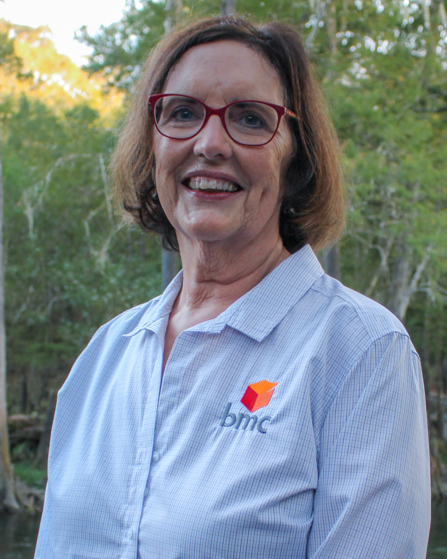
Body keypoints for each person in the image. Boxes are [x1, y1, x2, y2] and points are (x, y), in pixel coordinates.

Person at [34, 16, 431, 559]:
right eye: (182, 112)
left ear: (297, 159)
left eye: (249, 118)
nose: (210, 142)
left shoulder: (360, 353)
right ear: (153, 148)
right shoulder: (104, 357)